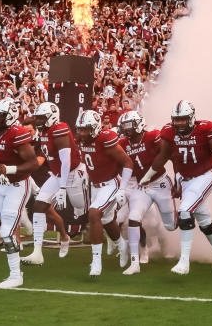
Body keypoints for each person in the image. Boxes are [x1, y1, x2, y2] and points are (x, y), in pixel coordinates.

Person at [138, 99, 212, 275]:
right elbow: (162, 158)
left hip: (204, 177)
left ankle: (184, 262)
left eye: (183, 119)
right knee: (204, 220)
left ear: (192, 118)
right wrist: (146, 178)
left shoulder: (205, 130)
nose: (179, 123)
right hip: (185, 180)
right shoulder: (169, 133)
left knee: (185, 212)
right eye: (176, 120)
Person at [0, 98, 42, 288]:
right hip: (1, 185)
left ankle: (15, 275)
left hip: (18, 185)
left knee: (7, 231)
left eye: (0, 116)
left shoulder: (17, 134)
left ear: (10, 116)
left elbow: (33, 163)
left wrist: (10, 169)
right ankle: (20, 225)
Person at [22, 101, 88, 266]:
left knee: (83, 211)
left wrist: (63, 187)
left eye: (41, 118)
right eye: (37, 117)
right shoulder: (43, 131)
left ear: (51, 117)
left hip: (73, 175)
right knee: (39, 205)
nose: (37, 121)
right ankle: (37, 252)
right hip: (58, 175)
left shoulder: (59, 129)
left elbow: (66, 162)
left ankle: (115, 232)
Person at [74, 109, 132, 276]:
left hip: (110, 183)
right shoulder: (81, 139)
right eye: (81, 129)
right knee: (106, 220)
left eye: (86, 129)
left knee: (94, 214)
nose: (83, 133)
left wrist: (122, 189)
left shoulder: (106, 139)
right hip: (94, 185)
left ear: (96, 127)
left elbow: (127, 162)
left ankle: (96, 261)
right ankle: (122, 245)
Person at [117, 110, 175, 275]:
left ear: (139, 124)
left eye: (130, 125)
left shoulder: (152, 136)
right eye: (125, 126)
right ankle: (135, 261)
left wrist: (178, 177)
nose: (127, 129)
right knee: (134, 219)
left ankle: (165, 242)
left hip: (160, 182)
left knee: (168, 224)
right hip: (140, 185)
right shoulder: (123, 143)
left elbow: (168, 155)